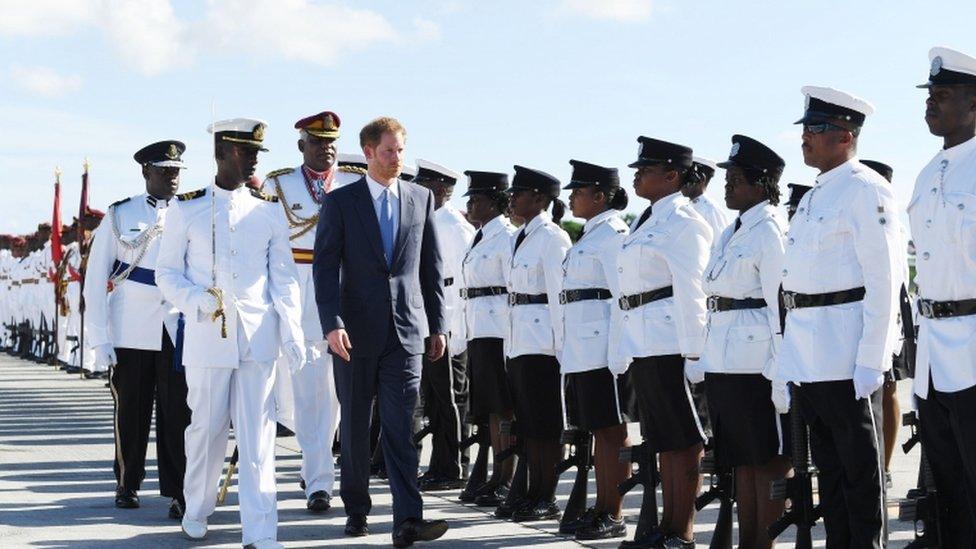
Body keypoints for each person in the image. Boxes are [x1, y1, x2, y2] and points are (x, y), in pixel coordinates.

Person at [155, 118, 306, 549]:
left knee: (258, 436)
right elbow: (166, 273)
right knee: (206, 430)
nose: (255, 158)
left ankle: (260, 531)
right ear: (221, 152)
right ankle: (198, 506)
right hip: (207, 336)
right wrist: (193, 298)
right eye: (246, 150)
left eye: (257, 151)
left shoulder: (268, 210)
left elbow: (284, 277)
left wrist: (293, 332)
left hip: (258, 338)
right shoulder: (187, 208)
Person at [777, 86, 905, 549]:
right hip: (811, 354)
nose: (805, 138)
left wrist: (873, 359)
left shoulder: (866, 189)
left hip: (847, 353)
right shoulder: (816, 196)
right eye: (806, 129)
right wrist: (787, 361)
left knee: (859, 473)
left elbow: (885, 280)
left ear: (845, 136)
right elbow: (796, 287)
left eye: (815, 129)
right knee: (828, 472)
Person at [312, 116, 449, 548]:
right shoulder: (341, 202)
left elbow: (432, 267)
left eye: (401, 150)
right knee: (354, 426)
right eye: (389, 151)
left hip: (407, 334)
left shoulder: (420, 197)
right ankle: (357, 507)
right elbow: (324, 268)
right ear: (368, 152)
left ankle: (409, 519)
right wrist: (331, 324)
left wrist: (438, 324)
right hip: (354, 335)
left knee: (399, 427)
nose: (396, 159)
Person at [611, 136, 711, 548]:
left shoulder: (685, 223)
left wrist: (695, 352)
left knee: (684, 441)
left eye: (645, 169)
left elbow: (692, 291)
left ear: (671, 176)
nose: (635, 174)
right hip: (645, 341)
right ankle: (664, 527)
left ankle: (681, 532)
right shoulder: (647, 220)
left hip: (672, 342)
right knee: (663, 440)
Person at [82, 140, 191, 518]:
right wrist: (99, 338)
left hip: (177, 325)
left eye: (177, 170)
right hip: (131, 328)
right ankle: (127, 482)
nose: (172, 176)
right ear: (146, 171)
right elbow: (95, 280)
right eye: (164, 170)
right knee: (131, 410)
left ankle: (180, 490)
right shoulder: (119, 214)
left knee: (179, 412)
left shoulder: (192, 211)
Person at [699, 135, 791, 549]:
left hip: (757, 361)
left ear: (761, 183)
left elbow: (780, 305)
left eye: (735, 178)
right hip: (724, 357)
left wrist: (781, 371)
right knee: (742, 461)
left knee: (767, 459)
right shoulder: (732, 229)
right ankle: (749, 540)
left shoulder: (770, 229)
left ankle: (763, 542)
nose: (726, 185)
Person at [262, 110, 348, 513]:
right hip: (293, 285)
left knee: (328, 393)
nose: (325, 149)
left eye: (330, 142)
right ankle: (315, 468)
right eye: (316, 142)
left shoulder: (352, 180)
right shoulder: (279, 184)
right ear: (301, 145)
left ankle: (318, 474)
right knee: (296, 393)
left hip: (338, 288)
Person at [909, 45, 976, 547]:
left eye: (943, 94)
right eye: (929, 94)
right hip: (934, 352)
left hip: (974, 346)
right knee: (948, 489)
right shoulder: (929, 173)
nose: (930, 103)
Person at [558, 160, 633, 540]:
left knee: (611, 430)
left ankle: (614, 510)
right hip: (583, 347)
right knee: (598, 430)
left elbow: (621, 299)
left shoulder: (613, 235)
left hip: (604, 348)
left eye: (579, 191)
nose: (571, 197)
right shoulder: (590, 235)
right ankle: (602, 505)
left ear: (600, 196)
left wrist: (619, 352)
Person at [503, 165, 572, 522]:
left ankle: (546, 496)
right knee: (528, 426)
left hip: (544, 344)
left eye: (519, 193)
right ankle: (530, 491)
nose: (512, 199)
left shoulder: (553, 237)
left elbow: (560, 298)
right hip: (520, 342)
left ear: (540, 199)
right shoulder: (523, 235)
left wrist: (563, 349)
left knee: (546, 427)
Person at [412, 159, 476, 491]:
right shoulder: (431, 219)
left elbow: (463, 281)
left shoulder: (454, 225)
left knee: (449, 397)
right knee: (435, 399)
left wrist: (457, 329)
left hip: (448, 321)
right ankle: (441, 464)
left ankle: (452, 467)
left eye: (424, 185)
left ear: (440, 190)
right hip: (429, 318)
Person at [458, 170, 518, 505]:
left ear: (495, 203)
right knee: (491, 409)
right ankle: (497, 474)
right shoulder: (479, 235)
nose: (470, 205)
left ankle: (506, 477)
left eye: (476, 199)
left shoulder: (506, 236)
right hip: (479, 328)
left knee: (504, 408)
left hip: (499, 330)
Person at [861, 158, 908, 490]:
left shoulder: (888, 219)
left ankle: (885, 467)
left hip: (889, 319)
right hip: (862, 316)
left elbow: (896, 279)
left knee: (887, 387)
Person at [684, 156, 732, 237]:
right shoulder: (684, 206)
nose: (682, 183)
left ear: (701, 179)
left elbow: (719, 245)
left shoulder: (711, 210)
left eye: (687, 179)